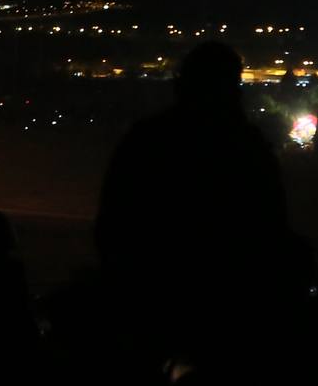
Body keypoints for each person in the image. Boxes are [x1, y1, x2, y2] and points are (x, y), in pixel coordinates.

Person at [96, 41, 305, 381]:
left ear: (182, 84)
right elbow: (271, 229)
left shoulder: (148, 140)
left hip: (153, 307)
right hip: (230, 315)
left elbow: (113, 226)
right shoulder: (248, 147)